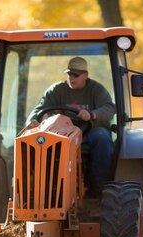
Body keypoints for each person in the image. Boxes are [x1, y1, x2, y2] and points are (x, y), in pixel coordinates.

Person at [26, 57, 115, 196]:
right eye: (69, 74)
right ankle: (40, 189)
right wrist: (34, 120)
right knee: (38, 140)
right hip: (62, 134)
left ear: (85, 75)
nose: (71, 78)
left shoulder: (96, 90)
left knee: (102, 137)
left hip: (89, 134)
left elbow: (109, 108)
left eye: (76, 75)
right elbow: (39, 109)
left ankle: (99, 189)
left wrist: (92, 114)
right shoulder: (56, 90)